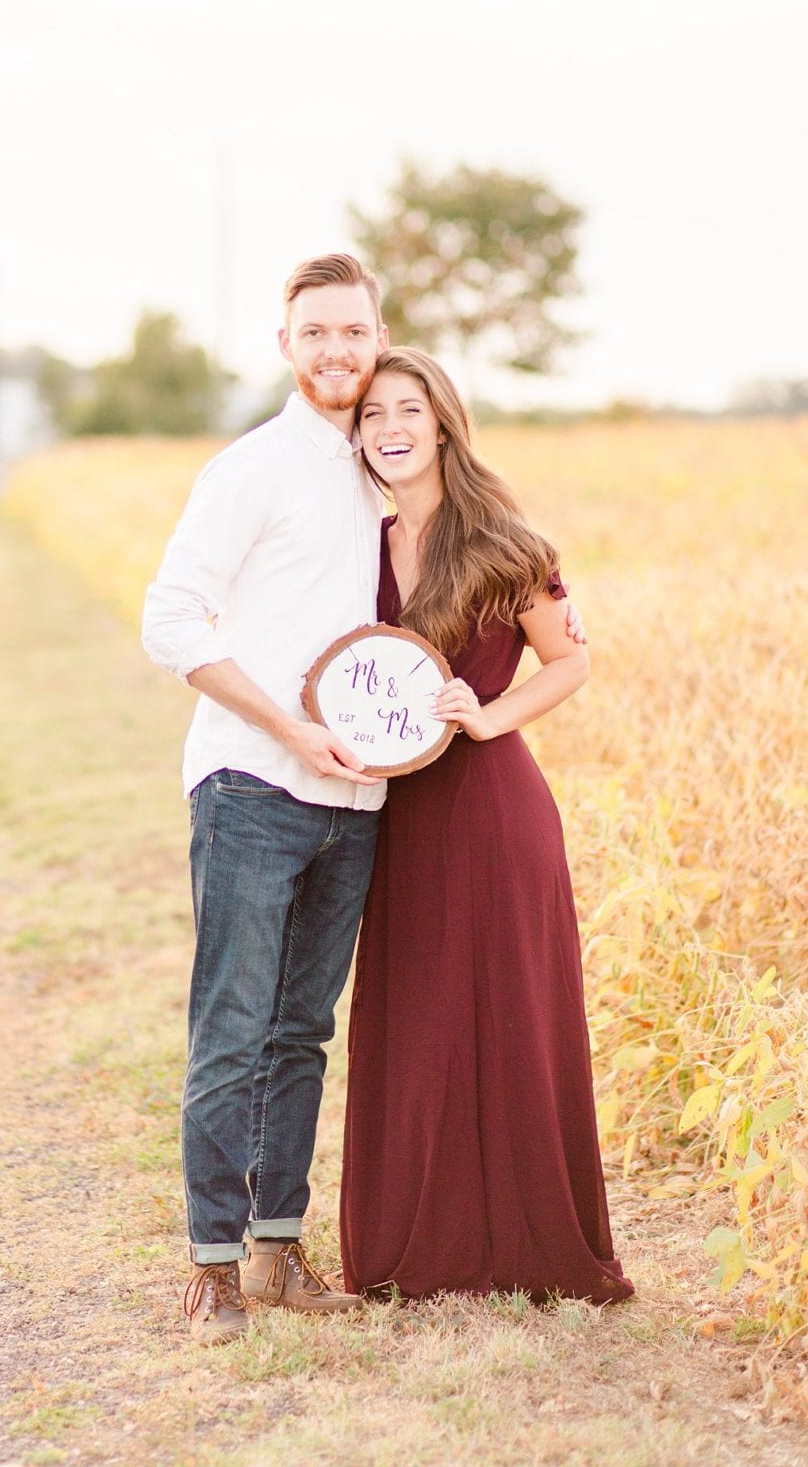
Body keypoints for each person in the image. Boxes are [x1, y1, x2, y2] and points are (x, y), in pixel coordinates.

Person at [142, 260, 591, 1341]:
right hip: (256, 782)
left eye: (357, 334)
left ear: (382, 337)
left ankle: (278, 1251)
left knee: (302, 1031)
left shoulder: (377, 483)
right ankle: (211, 1266)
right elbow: (171, 619)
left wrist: (467, 715)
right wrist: (286, 724)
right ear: (287, 344)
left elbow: (541, 643)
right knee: (234, 1026)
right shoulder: (251, 469)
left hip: (360, 809)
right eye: (318, 334)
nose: (340, 354)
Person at [339, 348, 633, 1307]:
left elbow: (571, 663)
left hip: (496, 806)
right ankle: (418, 1250)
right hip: (398, 811)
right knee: (417, 1015)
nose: (390, 425)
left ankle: (535, 1249)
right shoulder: (354, 544)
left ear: (443, 421)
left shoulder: (507, 541)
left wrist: (489, 714)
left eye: (409, 409)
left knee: (513, 1014)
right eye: (373, 411)